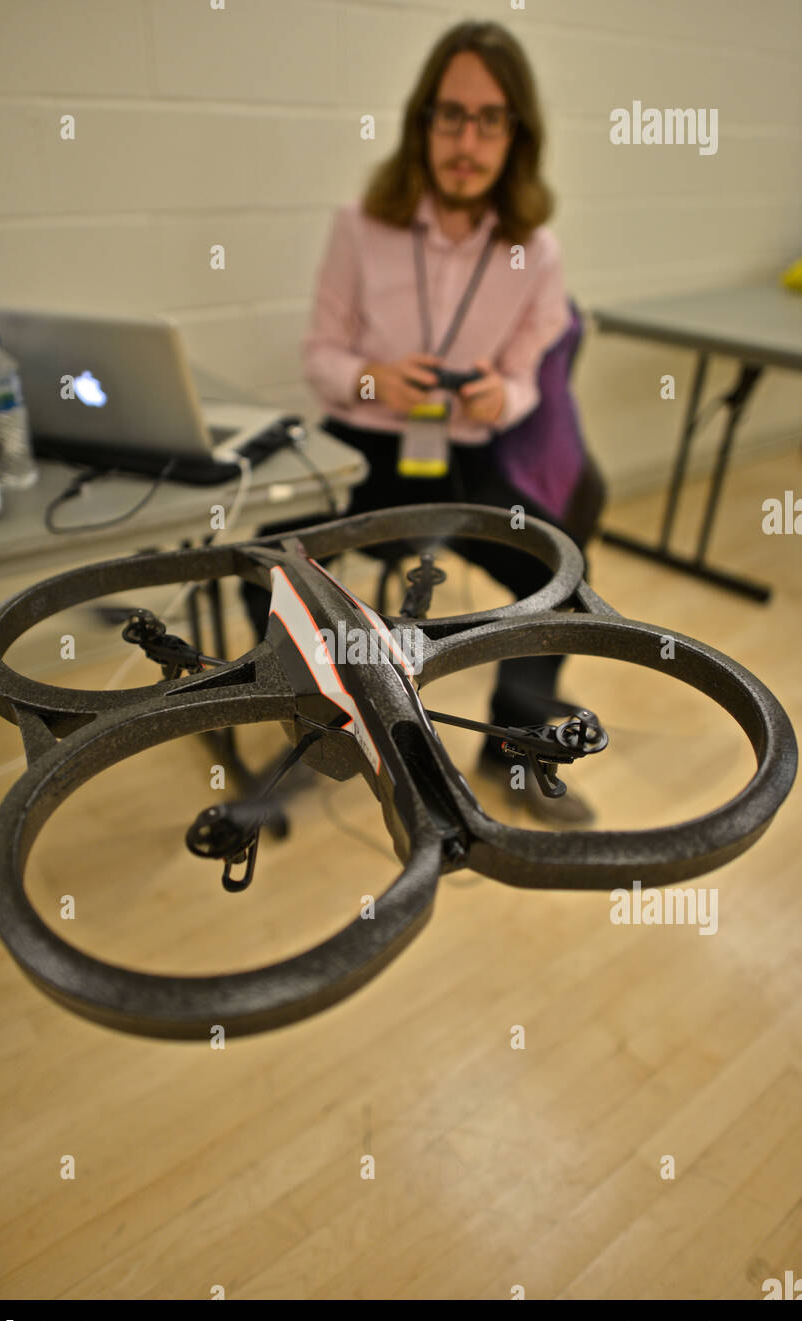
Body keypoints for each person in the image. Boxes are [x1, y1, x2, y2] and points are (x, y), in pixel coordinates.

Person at [241, 19, 602, 824]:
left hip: (465, 463)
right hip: (362, 453)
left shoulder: (532, 251)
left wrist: (495, 399)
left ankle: (515, 748)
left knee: (563, 587)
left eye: (489, 118)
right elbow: (320, 357)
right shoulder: (358, 225)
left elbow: (523, 383)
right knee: (264, 568)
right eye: (450, 115)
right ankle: (318, 733)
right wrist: (373, 378)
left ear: (517, 133)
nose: (466, 139)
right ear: (422, 122)